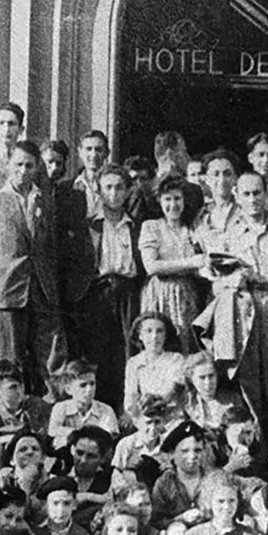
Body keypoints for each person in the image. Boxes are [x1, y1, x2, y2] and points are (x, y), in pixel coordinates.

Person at [195, 171, 268, 436]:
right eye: (246, 193)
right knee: (247, 376)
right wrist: (229, 281)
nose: (252, 199)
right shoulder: (227, 235)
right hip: (241, 308)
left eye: (257, 192)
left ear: (267, 193)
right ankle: (257, 440)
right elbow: (214, 281)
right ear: (236, 195)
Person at [0, 139, 66, 394]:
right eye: (18, 164)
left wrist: (53, 287)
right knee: (9, 361)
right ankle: (8, 411)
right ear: (8, 165)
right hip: (9, 290)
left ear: (37, 168)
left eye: (29, 165)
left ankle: (51, 409)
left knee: (51, 359)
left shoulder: (45, 200)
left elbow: (53, 249)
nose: (23, 171)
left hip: (43, 290)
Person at [80, 164, 143, 411]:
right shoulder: (90, 225)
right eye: (108, 188)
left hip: (128, 291)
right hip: (99, 292)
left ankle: (125, 409)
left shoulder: (135, 225)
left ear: (127, 191)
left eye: (119, 188)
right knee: (97, 350)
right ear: (99, 191)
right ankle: (99, 409)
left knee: (127, 348)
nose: (114, 193)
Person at [139, 175, 206, 353]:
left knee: (186, 345)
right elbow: (151, 266)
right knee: (159, 343)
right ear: (159, 201)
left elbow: (200, 264)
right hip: (160, 293)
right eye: (167, 199)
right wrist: (190, 263)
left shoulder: (191, 229)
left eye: (177, 198)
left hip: (186, 294)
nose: (173, 204)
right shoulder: (151, 227)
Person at [0, 360, 50, 475]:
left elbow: (48, 435)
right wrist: (5, 439)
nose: (20, 391)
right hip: (6, 464)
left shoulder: (36, 405)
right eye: (12, 388)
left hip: (34, 459)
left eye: (21, 385)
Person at [151, 421, 208, 535]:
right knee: (177, 531)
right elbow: (155, 522)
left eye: (198, 450)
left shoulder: (213, 477)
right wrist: (180, 519)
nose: (192, 456)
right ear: (173, 454)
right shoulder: (165, 483)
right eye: (184, 451)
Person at [123, 311, 186, 425]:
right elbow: (130, 398)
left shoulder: (176, 359)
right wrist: (140, 420)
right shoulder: (134, 363)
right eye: (148, 331)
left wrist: (157, 403)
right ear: (140, 335)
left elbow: (172, 391)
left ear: (166, 335)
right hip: (144, 420)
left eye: (160, 331)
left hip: (173, 419)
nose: (154, 336)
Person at [48, 359, 119, 451]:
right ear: (69, 389)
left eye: (92, 384)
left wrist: (75, 435)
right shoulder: (61, 408)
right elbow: (52, 430)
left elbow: (107, 436)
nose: (89, 390)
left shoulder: (106, 410)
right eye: (83, 385)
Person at [111, 394, 171, 493]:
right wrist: (127, 469)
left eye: (157, 422)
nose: (153, 428)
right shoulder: (126, 444)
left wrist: (171, 471)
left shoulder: (169, 445)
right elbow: (115, 482)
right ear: (137, 422)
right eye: (148, 423)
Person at [0, 432, 49, 527]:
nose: (30, 452)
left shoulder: (46, 481)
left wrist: (26, 485)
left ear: (42, 458)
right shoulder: (5, 475)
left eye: (35, 449)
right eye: (23, 449)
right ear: (12, 460)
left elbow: (35, 516)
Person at [194, 149, 240, 254]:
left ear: (235, 178)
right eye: (216, 174)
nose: (222, 180)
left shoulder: (246, 211)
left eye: (227, 174)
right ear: (207, 179)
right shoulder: (200, 216)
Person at [69, 130, 109, 218]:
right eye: (88, 149)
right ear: (80, 152)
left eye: (98, 150)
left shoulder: (116, 186)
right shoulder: (66, 188)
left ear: (106, 153)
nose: (93, 154)